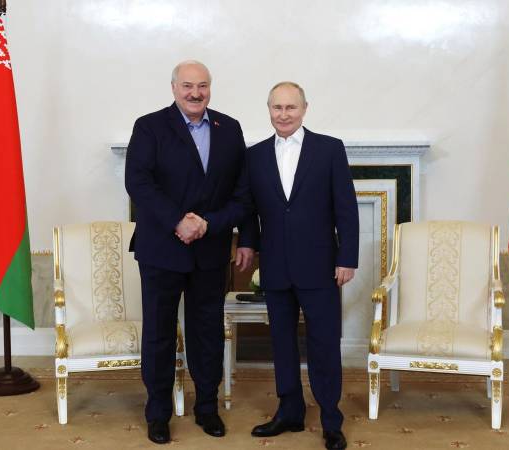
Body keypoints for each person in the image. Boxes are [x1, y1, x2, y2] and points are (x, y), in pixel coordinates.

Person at [125, 60, 257, 445]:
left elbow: (244, 194)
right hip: (161, 250)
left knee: (207, 332)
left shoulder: (230, 128)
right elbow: (138, 183)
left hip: (211, 250)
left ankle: (207, 408)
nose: (195, 93)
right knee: (159, 334)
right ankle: (158, 413)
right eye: (187, 86)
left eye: (202, 86)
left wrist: (212, 226)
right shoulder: (149, 127)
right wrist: (178, 221)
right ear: (173, 88)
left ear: (210, 88)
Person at [247, 82, 359, 450]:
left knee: (323, 344)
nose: (283, 114)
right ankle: (289, 411)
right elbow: (248, 209)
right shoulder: (254, 155)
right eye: (277, 108)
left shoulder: (329, 149)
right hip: (275, 265)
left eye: (290, 107)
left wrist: (347, 258)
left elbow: (346, 207)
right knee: (282, 343)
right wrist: (248, 244)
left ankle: (331, 420)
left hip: (321, 265)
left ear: (304, 109)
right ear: (269, 110)